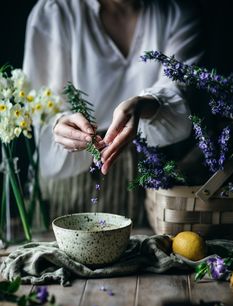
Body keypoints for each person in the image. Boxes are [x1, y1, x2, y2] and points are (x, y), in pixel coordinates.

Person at [23, 0, 202, 225]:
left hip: (149, 184)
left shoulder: (177, 10)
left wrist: (144, 104)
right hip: (70, 180)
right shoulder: (55, 11)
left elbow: (181, 91)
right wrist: (60, 125)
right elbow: (42, 105)